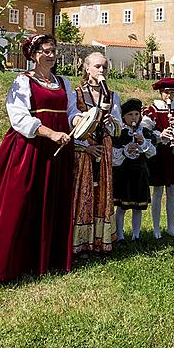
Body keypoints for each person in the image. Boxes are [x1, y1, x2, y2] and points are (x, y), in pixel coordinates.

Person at [0, 34, 80, 281]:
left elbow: (71, 111)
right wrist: (50, 133)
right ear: (34, 55)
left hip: (60, 150)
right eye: (46, 51)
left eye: (53, 50)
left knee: (54, 199)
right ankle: (9, 265)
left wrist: (78, 121)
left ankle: (48, 260)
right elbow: (19, 117)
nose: (51, 55)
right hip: (29, 149)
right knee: (21, 201)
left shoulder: (63, 82)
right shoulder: (23, 82)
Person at [71, 52, 121, 255]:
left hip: (104, 151)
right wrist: (85, 147)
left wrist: (112, 124)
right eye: (98, 66)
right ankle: (81, 243)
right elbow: (71, 123)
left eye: (105, 67)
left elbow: (119, 129)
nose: (102, 71)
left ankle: (101, 240)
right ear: (87, 68)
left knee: (102, 194)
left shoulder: (112, 95)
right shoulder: (76, 94)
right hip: (84, 152)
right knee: (84, 195)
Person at [141, 77, 174, 239]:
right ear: (161, 93)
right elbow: (145, 130)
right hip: (158, 154)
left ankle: (171, 226)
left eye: (172, 92)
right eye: (166, 92)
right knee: (158, 191)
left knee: (173, 191)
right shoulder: (152, 109)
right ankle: (156, 228)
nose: (169, 95)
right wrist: (159, 134)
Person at [112, 98, 156, 241]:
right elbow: (114, 156)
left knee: (138, 207)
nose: (134, 118)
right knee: (122, 207)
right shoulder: (120, 133)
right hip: (124, 174)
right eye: (130, 115)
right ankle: (120, 235)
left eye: (136, 115)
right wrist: (125, 150)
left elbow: (152, 153)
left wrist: (142, 142)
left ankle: (136, 235)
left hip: (140, 173)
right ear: (123, 117)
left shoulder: (144, 132)